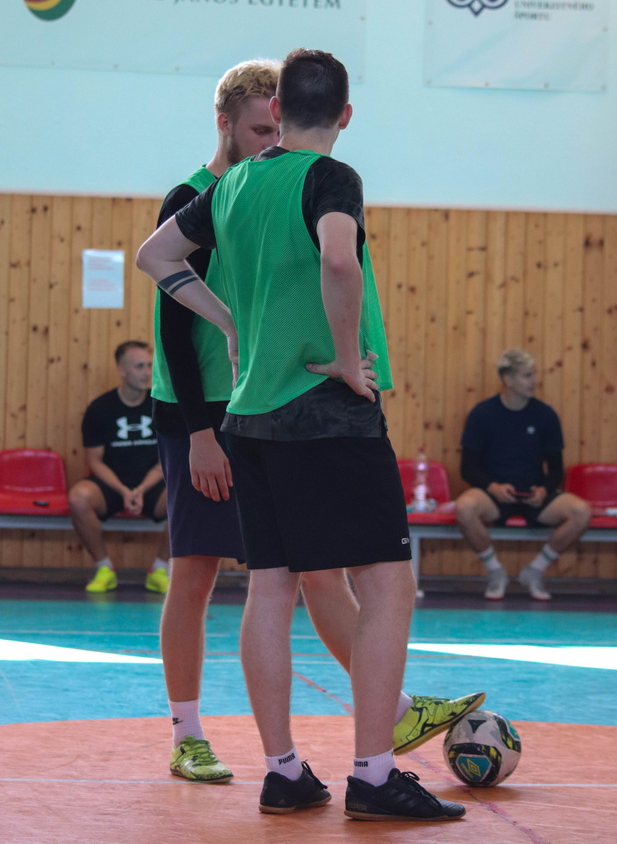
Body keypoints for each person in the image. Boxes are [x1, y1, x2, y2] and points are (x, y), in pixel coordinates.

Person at [138, 49, 471, 823]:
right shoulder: (329, 177)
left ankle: (283, 771)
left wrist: (230, 325)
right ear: (345, 115)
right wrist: (350, 360)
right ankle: (373, 775)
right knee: (386, 582)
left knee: (270, 586)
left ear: (277, 111)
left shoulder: (233, 186)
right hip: (323, 409)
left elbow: (156, 257)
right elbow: (338, 259)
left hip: (248, 414)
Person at [454, 348, 592, 601]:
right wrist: (492, 487)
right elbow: (468, 469)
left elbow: (556, 469)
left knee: (581, 511)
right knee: (464, 508)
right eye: (528, 375)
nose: (535, 380)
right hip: (495, 495)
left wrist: (544, 490)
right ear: (508, 379)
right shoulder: (482, 414)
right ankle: (496, 571)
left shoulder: (545, 415)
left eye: (535, 374)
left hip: (535, 495)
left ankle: (534, 570)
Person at [68, 340, 169, 593]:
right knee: (79, 498)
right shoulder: (100, 408)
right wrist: (124, 491)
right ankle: (104, 569)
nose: (147, 372)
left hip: (152, 484)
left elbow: (166, 459)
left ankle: (160, 570)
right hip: (111, 486)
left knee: (188, 496)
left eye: (149, 366)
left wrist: (141, 489)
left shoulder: (161, 405)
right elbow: (94, 461)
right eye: (139, 366)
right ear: (122, 370)